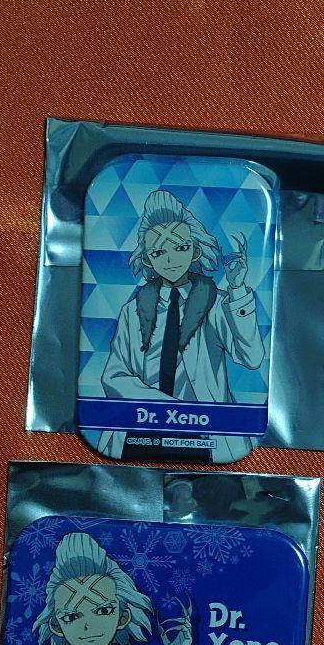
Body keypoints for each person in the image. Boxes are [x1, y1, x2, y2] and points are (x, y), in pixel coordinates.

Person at [96, 189, 265, 461]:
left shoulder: (217, 303)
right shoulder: (132, 311)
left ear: (196, 250)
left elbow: (252, 358)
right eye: (158, 252)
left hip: (205, 435)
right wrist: (166, 408)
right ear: (147, 259)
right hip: (140, 430)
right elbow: (114, 376)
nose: (171, 260)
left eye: (181, 248)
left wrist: (237, 290)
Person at [21, 533, 203, 645]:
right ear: (56, 626)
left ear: (123, 617)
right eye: (72, 617)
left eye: (103, 611)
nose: (89, 626)